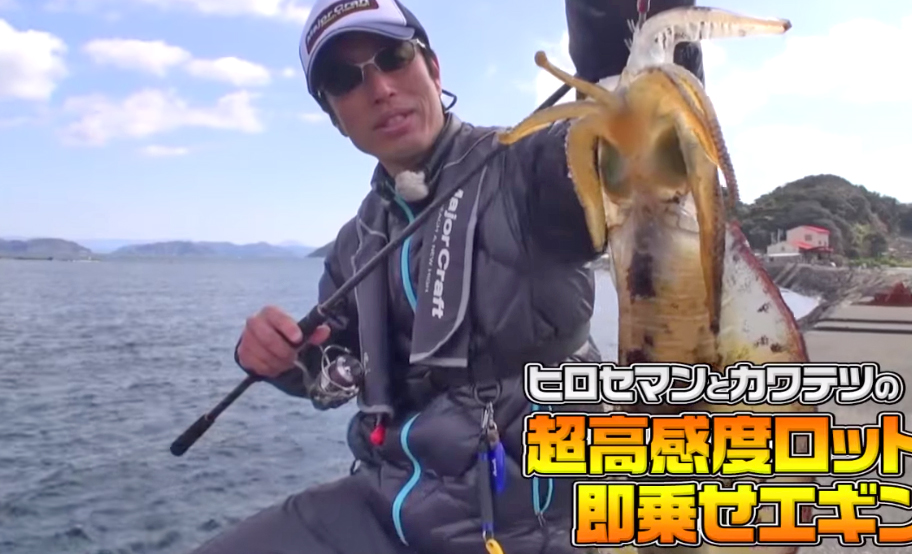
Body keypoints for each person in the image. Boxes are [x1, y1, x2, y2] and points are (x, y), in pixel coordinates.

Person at [189, 1, 704, 553]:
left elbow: (637, 126)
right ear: (335, 117)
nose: (380, 88)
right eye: (344, 79)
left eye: (394, 56)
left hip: (529, 519)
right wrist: (280, 359)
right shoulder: (354, 243)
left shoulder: (529, 167)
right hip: (383, 501)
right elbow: (335, 370)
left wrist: (614, 22)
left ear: (433, 69)